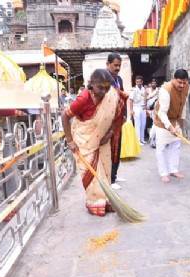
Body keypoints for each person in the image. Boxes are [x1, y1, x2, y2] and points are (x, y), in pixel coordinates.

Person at [61, 69, 119, 217]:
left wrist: (110, 133)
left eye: (107, 87)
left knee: (105, 170)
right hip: (84, 138)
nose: (105, 91)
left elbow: (116, 115)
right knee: (90, 172)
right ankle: (94, 202)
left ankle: (106, 199)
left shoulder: (110, 95)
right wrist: (70, 141)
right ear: (91, 84)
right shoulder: (83, 99)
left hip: (102, 139)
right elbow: (64, 117)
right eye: (100, 87)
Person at [153, 69, 190, 183]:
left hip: (176, 120)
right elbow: (161, 112)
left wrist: (182, 120)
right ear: (173, 78)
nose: (182, 85)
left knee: (176, 145)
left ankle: (173, 169)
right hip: (162, 121)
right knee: (162, 147)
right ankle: (163, 173)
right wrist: (169, 127)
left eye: (184, 82)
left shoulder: (186, 87)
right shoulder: (165, 90)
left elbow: (183, 104)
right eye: (179, 82)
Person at [106, 53, 127, 190]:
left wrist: (124, 115)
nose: (118, 68)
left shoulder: (118, 78)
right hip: (108, 119)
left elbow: (123, 98)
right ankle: (109, 178)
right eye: (115, 65)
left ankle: (114, 174)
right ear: (107, 64)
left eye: (119, 65)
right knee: (109, 149)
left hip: (119, 119)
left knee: (117, 147)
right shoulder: (104, 78)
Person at [129, 75, 148, 145]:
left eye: (140, 82)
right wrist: (131, 110)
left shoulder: (144, 89)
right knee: (137, 124)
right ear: (135, 82)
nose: (138, 83)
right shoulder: (133, 90)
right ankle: (137, 140)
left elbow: (145, 99)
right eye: (137, 82)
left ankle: (142, 139)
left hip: (143, 107)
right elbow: (130, 100)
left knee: (143, 124)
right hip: (136, 107)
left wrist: (146, 107)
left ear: (142, 82)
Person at [146, 78, 159, 148]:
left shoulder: (158, 91)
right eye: (152, 83)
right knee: (149, 125)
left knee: (156, 126)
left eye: (155, 83)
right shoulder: (147, 90)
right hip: (149, 109)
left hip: (156, 110)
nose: (153, 84)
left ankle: (154, 140)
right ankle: (150, 138)